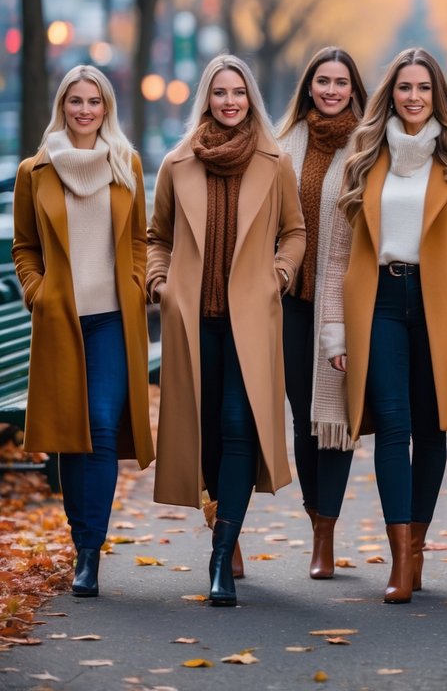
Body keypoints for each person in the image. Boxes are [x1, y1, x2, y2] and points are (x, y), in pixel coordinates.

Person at [322, 47, 447, 604]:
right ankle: (399, 561)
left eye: (423, 88)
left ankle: (417, 549)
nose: (413, 97)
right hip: (379, 300)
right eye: (404, 88)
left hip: (440, 304)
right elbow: (339, 252)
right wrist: (335, 329)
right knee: (393, 426)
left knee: (432, 427)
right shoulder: (364, 155)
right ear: (390, 95)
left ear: (436, 94)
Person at [147, 54, 305, 607]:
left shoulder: (275, 160)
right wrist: (160, 283)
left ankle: (221, 560)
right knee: (208, 435)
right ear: (207, 99)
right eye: (220, 93)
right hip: (194, 322)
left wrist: (279, 276)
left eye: (238, 92)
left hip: (251, 322)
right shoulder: (177, 163)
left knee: (240, 426)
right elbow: (156, 236)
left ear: (250, 98)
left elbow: (295, 231)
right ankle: (223, 526)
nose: (230, 101)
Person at [13, 65, 153, 599]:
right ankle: (81, 545)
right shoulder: (36, 170)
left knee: (98, 422)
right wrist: (38, 292)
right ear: (62, 106)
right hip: (61, 321)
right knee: (72, 432)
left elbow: (139, 239)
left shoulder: (127, 163)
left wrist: (137, 284)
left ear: (107, 108)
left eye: (95, 101)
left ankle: (91, 551)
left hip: (114, 320)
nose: (85, 110)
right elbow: (24, 246)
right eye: (76, 101)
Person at [276, 46, 367, 579]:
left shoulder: (368, 146)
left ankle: (326, 533)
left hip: (346, 301)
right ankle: (315, 518)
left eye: (341, 82)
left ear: (354, 88)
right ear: (308, 86)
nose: (331, 90)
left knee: (337, 417)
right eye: (322, 81)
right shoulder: (284, 146)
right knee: (303, 416)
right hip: (291, 301)